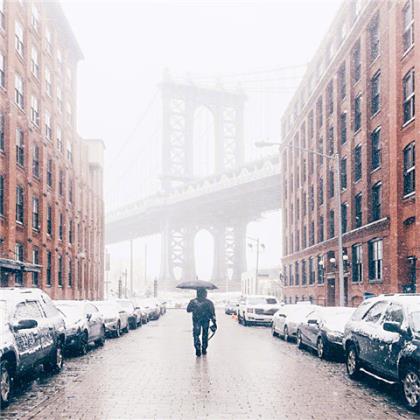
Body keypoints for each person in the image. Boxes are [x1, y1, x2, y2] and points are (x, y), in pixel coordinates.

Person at [186, 288, 217, 357]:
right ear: (205, 294)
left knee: (196, 335)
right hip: (205, 320)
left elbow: (188, 310)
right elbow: (213, 313)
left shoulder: (193, 301)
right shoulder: (209, 302)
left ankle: (197, 348)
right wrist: (214, 322)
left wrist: (194, 308)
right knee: (205, 335)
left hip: (196, 320)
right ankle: (204, 348)